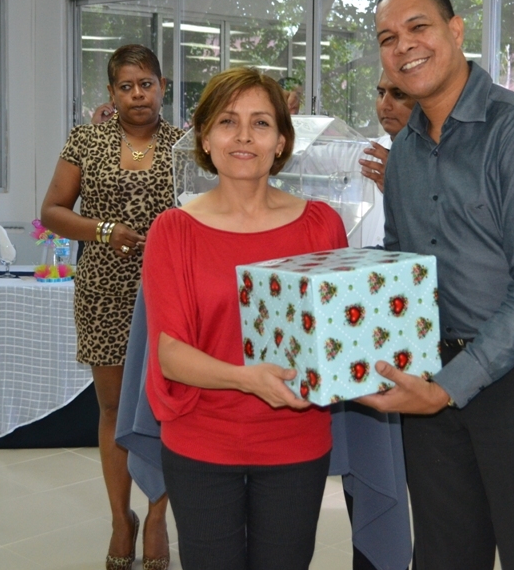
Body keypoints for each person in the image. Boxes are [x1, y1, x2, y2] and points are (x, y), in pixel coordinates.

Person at [356, 0, 514, 570]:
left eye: (418, 27)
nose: (404, 46)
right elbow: (401, 266)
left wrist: (447, 386)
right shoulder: (405, 152)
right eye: (387, 38)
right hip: (432, 374)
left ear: (456, 30)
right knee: (444, 553)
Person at [141, 67, 348, 570]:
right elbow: (171, 355)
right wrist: (246, 378)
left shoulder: (322, 226)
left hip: (296, 441)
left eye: (260, 123)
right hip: (202, 443)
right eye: (228, 121)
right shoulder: (173, 231)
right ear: (205, 138)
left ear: (281, 142)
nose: (243, 136)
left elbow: (337, 336)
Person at [41, 45, 180, 570]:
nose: (137, 95)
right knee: (113, 408)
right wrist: (102, 230)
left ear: (163, 87)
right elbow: (52, 211)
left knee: (167, 406)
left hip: (168, 289)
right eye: (126, 86)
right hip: (103, 289)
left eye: (146, 84)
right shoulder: (86, 139)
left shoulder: (186, 146)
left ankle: (158, 515)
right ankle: (122, 518)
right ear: (111, 93)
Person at [357, 71, 415, 246]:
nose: (384, 105)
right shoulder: (366, 152)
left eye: (398, 95)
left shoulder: (447, 161)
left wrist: (405, 187)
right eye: (381, 93)